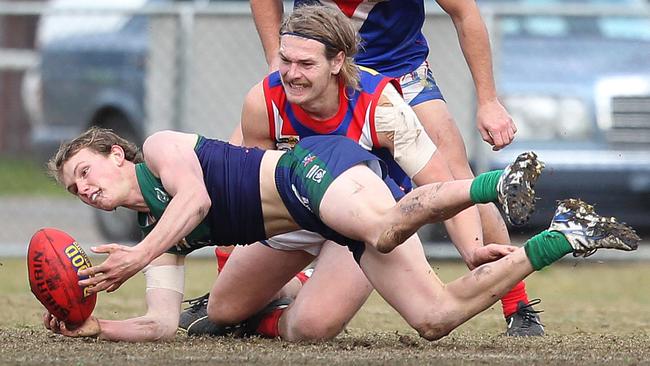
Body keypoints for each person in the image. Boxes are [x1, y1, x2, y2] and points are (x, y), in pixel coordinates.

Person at [43, 127, 639, 341]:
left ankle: (492, 183)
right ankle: (562, 236)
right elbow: (162, 324)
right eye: (74, 189)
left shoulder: (158, 150)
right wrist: (96, 327)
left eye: (85, 172)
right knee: (434, 319)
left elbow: (195, 200)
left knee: (383, 228)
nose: (84, 188)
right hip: (313, 223)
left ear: (115, 154)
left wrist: (138, 257)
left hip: (311, 168)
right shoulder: (157, 235)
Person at [232, 2, 536, 337]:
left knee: (454, 174)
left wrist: (488, 101)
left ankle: (515, 302)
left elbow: (465, 13)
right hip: (314, 68)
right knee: (241, 165)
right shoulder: (276, 88)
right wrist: (278, 57)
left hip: (398, 72)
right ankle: (241, 297)